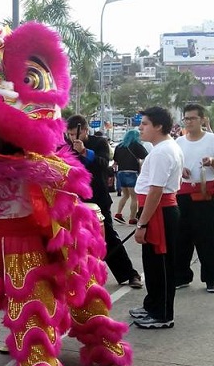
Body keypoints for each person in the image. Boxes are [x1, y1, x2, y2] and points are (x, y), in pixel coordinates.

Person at [61, 115, 143, 288]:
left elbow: (103, 164)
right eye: (68, 134)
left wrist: (84, 152)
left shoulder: (99, 143)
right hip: (74, 199)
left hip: (97, 198)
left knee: (107, 237)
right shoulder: (65, 146)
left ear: (84, 130)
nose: (71, 137)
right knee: (72, 239)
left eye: (74, 133)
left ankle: (129, 274)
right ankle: (77, 278)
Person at [130, 107, 183, 329]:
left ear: (158, 126)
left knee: (160, 265)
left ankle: (162, 314)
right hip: (157, 210)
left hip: (159, 212)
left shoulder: (163, 151)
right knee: (152, 264)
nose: (140, 128)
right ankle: (152, 305)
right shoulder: (164, 148)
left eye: (145, 124)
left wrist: (142, 223)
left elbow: (156, 191)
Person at [174, 104, 214, 293]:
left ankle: (211, 279)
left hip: (205, 194)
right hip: (183, 194)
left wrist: (212, 161)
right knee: (182, 237)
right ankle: (181, 275)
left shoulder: (213, 140)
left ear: (203, 119)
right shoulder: (179, 142)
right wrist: (181, 170)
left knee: (207, 237)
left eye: (192, 118)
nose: (189, 122)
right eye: (186, 118)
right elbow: (174, 168)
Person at [113, 129, 148, 225]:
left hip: (121, 173)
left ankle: (118, 213)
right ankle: (132, 218)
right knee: (134, 197)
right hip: (132, 173)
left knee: (125, 195)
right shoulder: (136, 145)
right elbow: (146, 156)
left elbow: (115, 161)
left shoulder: (119, 146)